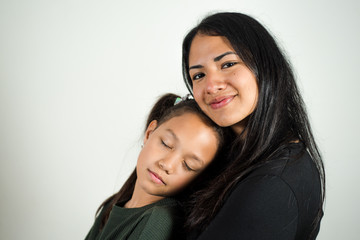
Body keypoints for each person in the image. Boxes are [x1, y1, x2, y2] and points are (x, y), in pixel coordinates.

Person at [181, 12, 325, 239]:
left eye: (227, 64)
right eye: (198, 75)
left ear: (265, 65)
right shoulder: (227, 154)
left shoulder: (274, 183)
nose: (211, 85)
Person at [85, 93, 227, 240]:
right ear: (149, 133)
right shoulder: (112, 205)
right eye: (166, 144)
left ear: (198, 179)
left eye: (188, 165)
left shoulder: (159, 220)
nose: (167, 164)